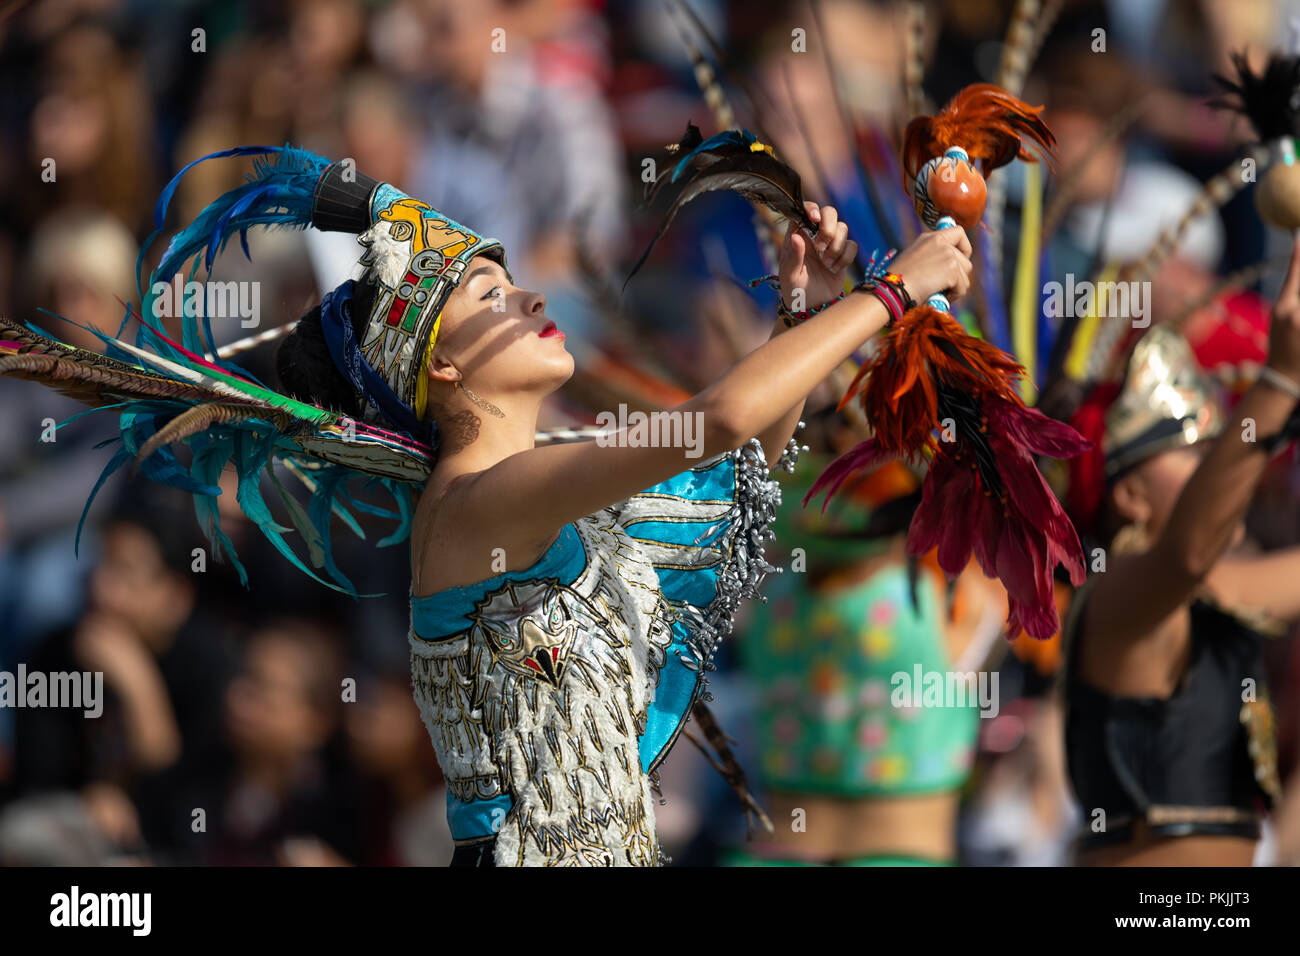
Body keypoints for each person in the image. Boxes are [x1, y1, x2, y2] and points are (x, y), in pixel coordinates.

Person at [1, 143, 973, 866]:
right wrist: (893, 291)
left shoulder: (555, 477)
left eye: (513, 279)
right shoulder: (475, 506)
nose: (528, 298)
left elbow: (742, 483)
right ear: (447, 365)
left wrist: (801, 318)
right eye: (486, 293)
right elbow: (712, 420)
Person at [1059, 239, 1300, 866]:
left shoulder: (1218, 590)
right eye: (1196, 454)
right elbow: (1188, 555)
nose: (1220, 470)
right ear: (1131, 496)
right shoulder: (1114, 598)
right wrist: (1279, 381)